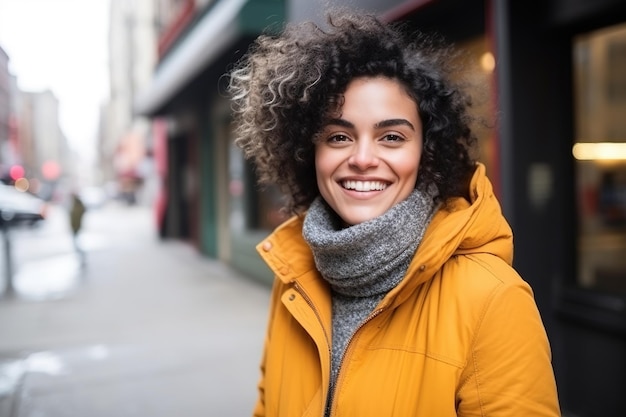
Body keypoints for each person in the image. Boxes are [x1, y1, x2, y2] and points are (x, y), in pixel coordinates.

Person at [228, 10, 561, 417]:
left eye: (391, 137)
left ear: (426, 151)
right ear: (307, 151)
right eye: (338, 136)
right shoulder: (293, 276)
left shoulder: (491, 298)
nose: (363, 158)